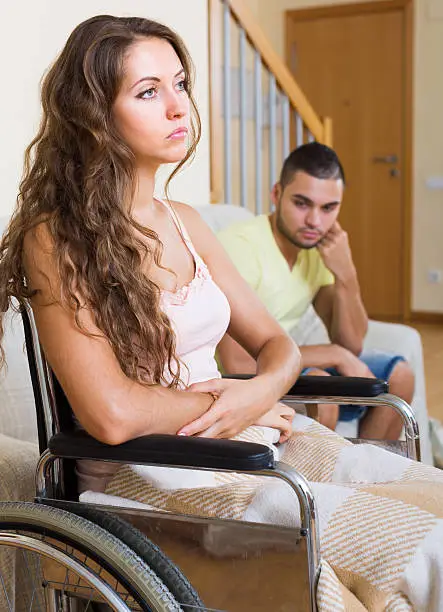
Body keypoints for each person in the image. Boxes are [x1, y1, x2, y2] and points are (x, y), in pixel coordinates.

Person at [1, 15, 443, 611]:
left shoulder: (187, 221)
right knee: (424, 551)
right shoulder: (54, 239)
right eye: (149, 91)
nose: (179, 106)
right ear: (95, 115)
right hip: (150, 473)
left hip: (247, 438)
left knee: (432, 498)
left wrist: (255, 396)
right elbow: (110, 415)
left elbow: (277, 347)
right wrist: (234, 405)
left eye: (179, 84)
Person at [217, 143, 414, 438]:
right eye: (301, 203)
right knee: (322, 396)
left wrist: (346, 273)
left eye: (328, 208)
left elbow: (350, 344)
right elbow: (238, 362)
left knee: (399, 376)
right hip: (238, 378)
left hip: (283, 365)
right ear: (276, 194)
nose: (314, 221)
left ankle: (366, 479)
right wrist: (332, 354)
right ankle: (320, 483)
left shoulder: (315, 248)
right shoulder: (240, 247)